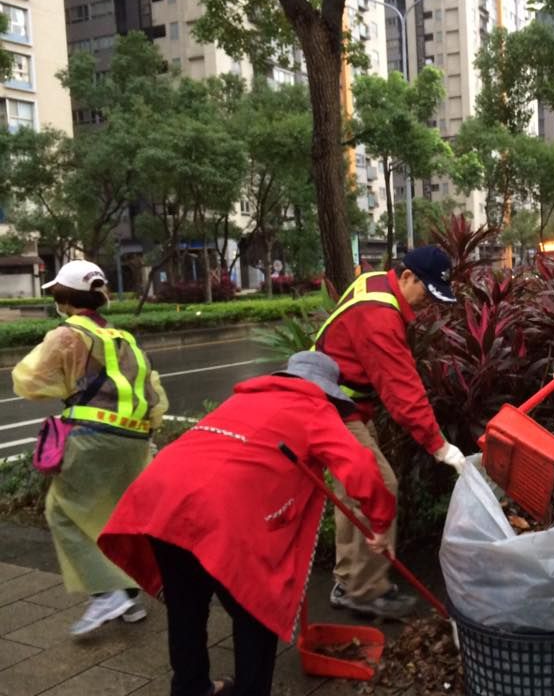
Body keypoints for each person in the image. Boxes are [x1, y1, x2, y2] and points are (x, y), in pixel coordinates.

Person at [98, 351, 397, 696]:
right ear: (328, 391)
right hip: (221, 513)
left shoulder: (242, 399)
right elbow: (361, 468)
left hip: (162, 499)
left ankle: (191, 688)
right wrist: (380, 522)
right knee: (256, 612)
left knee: (185, 608)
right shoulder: (316, 409)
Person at [11, 259, 168, 637]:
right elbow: (153, 391)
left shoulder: (67, 335)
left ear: (65, 298)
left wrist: (70, 385)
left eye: (57, 295)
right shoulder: (123, 337)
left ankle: (107, 594)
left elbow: (29, 380)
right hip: (134, 440)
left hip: (93, 437)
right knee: (117, 517)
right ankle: (128, 597)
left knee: (62, 512)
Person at [314, 245, 465, 619]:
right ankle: (365, 591)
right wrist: (439, 446)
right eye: (426, 292)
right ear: (408, 276)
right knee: (379, 486)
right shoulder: (379, 316)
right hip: (332, 408)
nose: (428, 304)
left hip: (338, 403)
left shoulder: (376, 283)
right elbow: (402, 390)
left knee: (355, 491)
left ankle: (351, 580)